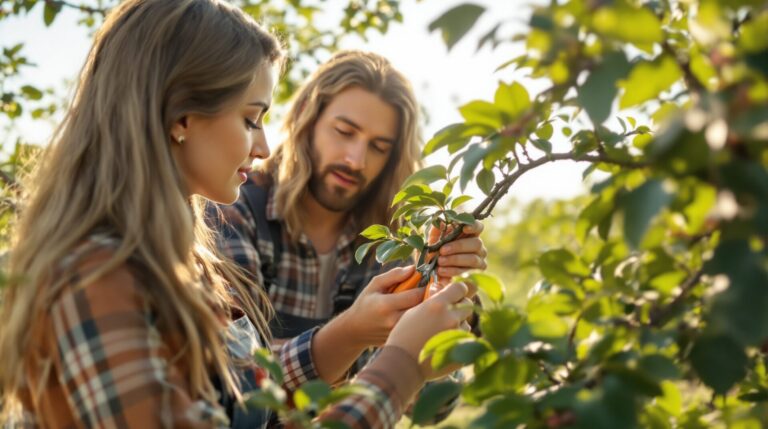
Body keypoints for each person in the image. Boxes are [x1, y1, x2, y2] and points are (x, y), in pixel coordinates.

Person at [0, 1, 475, 428]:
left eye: (378, 147)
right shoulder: (96, 275)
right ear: (180, 116)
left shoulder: (180, 262)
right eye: (250, 119)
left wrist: (392, 321)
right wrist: (402, 362)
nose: (264, 145)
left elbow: (251, 408)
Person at [209, 50, 487, 422]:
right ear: (309, 114)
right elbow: (239, 388)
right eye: (345, 132)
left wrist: (447, 297)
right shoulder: (232, 208)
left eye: (378, 147)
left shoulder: (392, 244)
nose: (356, 159)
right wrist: (353, 333)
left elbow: (432, 410)